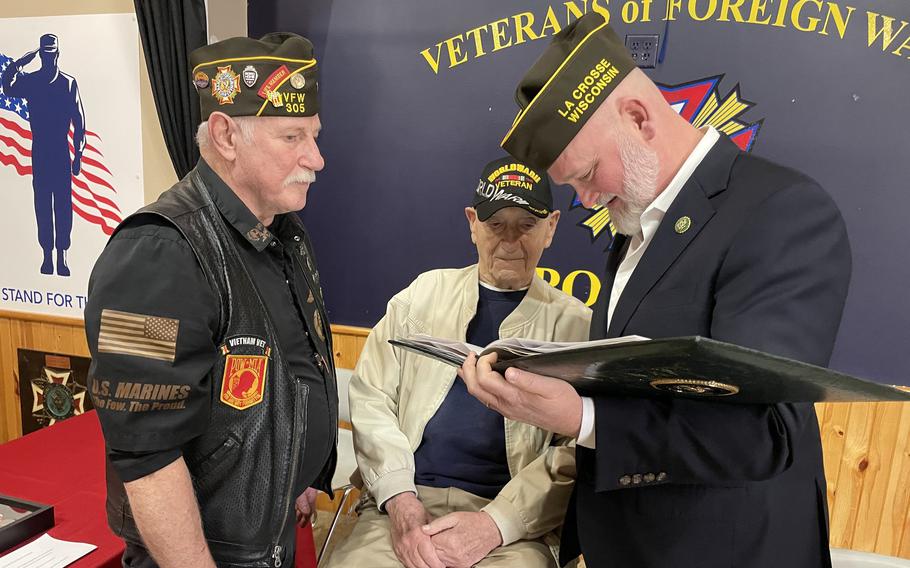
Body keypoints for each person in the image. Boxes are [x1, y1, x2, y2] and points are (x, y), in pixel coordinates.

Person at [460, 13, 851, 568]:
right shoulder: (637, 221)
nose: (586, 201)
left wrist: (582, 418)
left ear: (639, 118)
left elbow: (765, 431)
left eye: (588, 172)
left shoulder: (780, 213)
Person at [84, 33, 336, 568]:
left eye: (313, 136)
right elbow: (145, 451)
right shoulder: (153, 253)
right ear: (224, 135)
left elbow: (282, 374)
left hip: (267, 539)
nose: (316, 157)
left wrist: (294, 473)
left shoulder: (282, 231)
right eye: (293, 136)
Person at [325, 157, 590, 568]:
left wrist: (495, 524)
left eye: (526, 225)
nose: (509, 240)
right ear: (472, 222)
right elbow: (371, 398)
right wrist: (399, 500)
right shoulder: (421, 296)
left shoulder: (574, 327)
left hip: (513, 526)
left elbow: (572, 452)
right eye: (495, 224)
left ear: (551, 227)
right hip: (403, 503)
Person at [2, 33, 85, 276]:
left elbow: (80, 122)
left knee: (62, 205)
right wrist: (18, 65)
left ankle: (63, 255)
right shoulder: (32, 81)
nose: (49, 58)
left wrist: (78, 154)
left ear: (57, 54)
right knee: (42, 205)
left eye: (52, 53)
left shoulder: (68, 83)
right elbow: (7, 87)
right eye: (45, 54)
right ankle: (47, 256)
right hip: (40, 151)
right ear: (41, 55)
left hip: (60, 151)